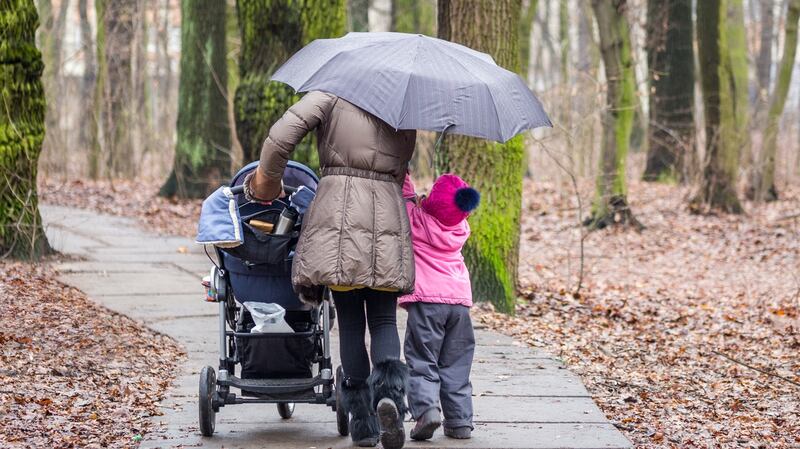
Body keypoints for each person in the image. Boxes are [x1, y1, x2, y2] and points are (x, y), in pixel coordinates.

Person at [243, 91, 415, 449]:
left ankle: (364, 423)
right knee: (383, 320)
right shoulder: (402, 105)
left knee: (350, 321)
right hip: (386, 212)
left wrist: (268, 185)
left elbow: (281, 137)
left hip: (337, 214)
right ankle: (390, 399)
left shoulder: (331, 94)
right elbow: (401, 168)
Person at [399, 172, 480, 441]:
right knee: (456, 363)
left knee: (422, 360)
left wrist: (406, 172)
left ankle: (426, 412)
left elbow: (404, 196)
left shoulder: (417, 220)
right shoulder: (460, 228)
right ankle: (459, 422)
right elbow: (448, 210)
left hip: (426, 303)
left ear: (430, 202)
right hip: (459, 304)